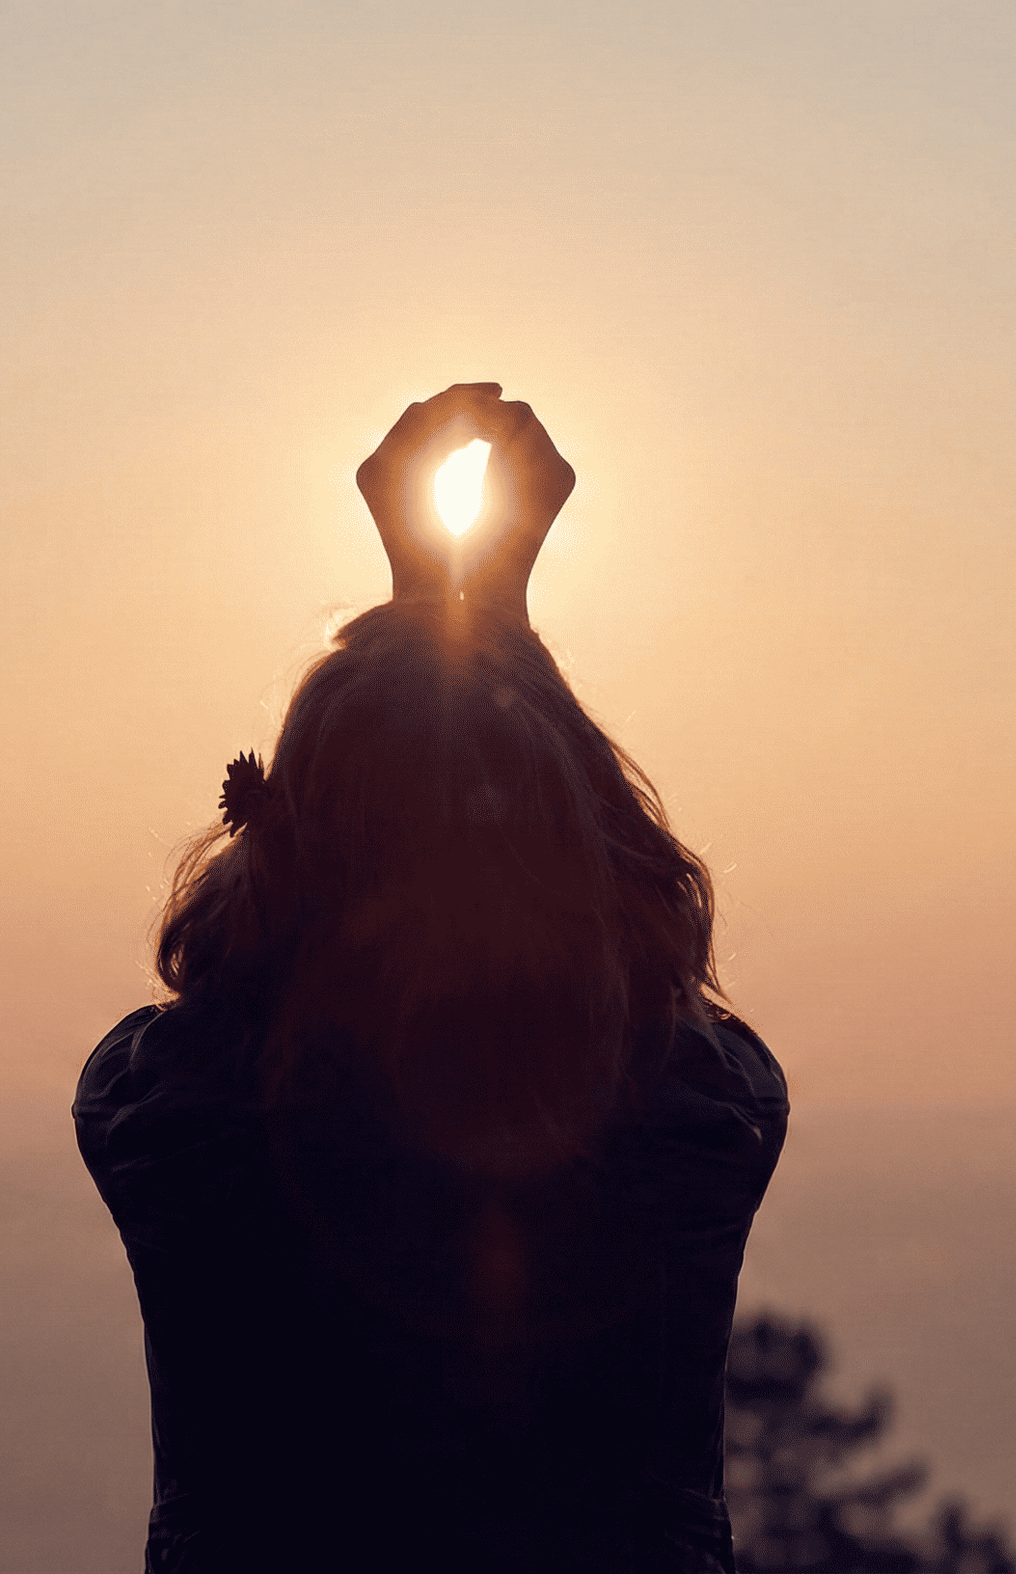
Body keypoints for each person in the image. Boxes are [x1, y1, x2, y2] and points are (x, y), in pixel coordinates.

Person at [76, 384, 788, 1572]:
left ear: (286, 850)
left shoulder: (182, 1137)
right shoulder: (687, 1136)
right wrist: (490, 635)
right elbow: (664, 980)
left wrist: (429, 632)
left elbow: (197, 1024)